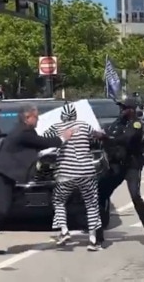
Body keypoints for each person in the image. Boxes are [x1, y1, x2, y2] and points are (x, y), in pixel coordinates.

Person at [0, 104, 75, 255]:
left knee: (4, 212)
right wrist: (63, 137)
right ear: (27, 118)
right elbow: (45, 142)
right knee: (2, 208)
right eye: (36, 117)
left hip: (8, 176)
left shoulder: (26, 131)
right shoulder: (23, 132)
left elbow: (39, 144)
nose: (38, 120)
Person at [43, 103, 105, 251]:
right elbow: (98, 135)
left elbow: (44, 136)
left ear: (62, 116)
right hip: (87, 172)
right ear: (75, 115)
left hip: (66, 173)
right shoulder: (84, 125)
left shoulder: (57, 127)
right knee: (91, 204)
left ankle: (64, 231)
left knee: (58, 200)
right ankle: (92, 240)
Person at [97, 97, 144, 247]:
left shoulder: (135, 124)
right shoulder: (117, 123)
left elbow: (128, 138)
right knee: (101, 194)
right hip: (117, 166)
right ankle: (98, 235)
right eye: (121, 107)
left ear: (131, 109)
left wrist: (108, 138)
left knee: (135, 196)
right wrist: (102, 138)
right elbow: (108, 136)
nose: (121, 110)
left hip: (132, 166)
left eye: (124, 108)